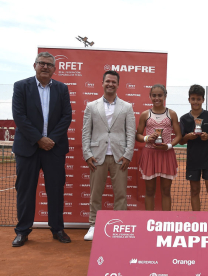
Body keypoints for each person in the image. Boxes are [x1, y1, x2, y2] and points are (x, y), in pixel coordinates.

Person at [11, 52, 72, 246]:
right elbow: (19, 116)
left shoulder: (62, 89)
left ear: (55, 69)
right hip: (28, 148)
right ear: (34, 65)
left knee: (56, 190)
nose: (45, 67)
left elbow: (66, 116)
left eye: (49, 64)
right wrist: (39, 139)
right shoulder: (21, 86)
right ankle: (22, 231)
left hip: (53, 148)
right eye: (42, 63)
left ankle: (57, 229)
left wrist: (50, 140)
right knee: (25, 190)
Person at [82, 70, 136, 241]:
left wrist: (128, 155)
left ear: (118, 84)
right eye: (108, 81)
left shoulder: (127, 107)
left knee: (120, 194)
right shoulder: (91, 106)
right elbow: (86, 132)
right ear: (102, 83)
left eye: (114, 82)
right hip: (97, 156)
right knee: (95, 194)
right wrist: (87, 154)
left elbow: (130, 133)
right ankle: (93, 225)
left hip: (119, 157)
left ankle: (119, 224)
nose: (110, 84)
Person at [136, 84, 182, 211]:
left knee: (166, 190)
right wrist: (147, 138)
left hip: (166, 154)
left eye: (160, 95)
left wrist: (168, 146)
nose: (157, 98)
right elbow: (138, 135)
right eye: (154, 95)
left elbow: (178, 135)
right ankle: (149, 221)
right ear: (150, 96)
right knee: (150, 190)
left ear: (165, 96)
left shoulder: (171, 114)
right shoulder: (145, 114)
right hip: (150, 154)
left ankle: (165, 221)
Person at [179, 85, 208, 211]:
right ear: (189, 100)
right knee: (195, 191)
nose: (195, 101)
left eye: (198, 99)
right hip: (193, 160)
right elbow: (180, 140)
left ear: (203, 100)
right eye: (193, 99)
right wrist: (187, 137)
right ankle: (196, 220)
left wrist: (207, 136)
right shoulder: (184, 118)